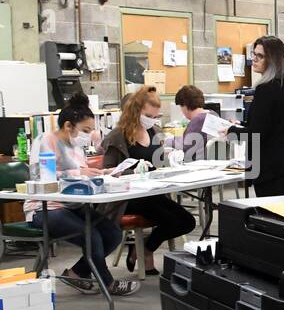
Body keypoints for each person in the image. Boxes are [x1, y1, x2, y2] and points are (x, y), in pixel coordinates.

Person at [23, 93, 141, 297]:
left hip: (73, 205)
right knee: (91, 235)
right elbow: (40, 178)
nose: (89, 135)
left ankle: (76, 273)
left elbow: (81, 174)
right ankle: (109, 284)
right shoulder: (46, 142)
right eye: (85, 130)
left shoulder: (75, 146)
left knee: (112, 233)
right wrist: (78, 173)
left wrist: (102, 173)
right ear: (69, 126)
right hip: (44, 208)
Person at [101, 86, 197, 275]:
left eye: (155, 117)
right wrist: (132, 171)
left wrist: (173, 165)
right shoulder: (117, 136)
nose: (151, 120)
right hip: (129, 197)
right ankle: (146, 251)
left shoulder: (154, 131)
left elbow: (160, 164)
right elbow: (108, 173)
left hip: (154, 192)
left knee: (187, 222)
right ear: (135, 111)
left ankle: (145, 248)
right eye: (148, 116)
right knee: (170, 219)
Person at [224, 36, 284, 196]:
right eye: (253, 54)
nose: (253, 59)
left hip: (272, 166)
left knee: (268, 215)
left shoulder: (267, 89)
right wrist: (241, 123)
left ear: (273, 60)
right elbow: (272, 123)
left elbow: (257, 134)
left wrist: (231, 131)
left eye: (259, 56)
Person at [175, 85, 209, 161]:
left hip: (196, 166)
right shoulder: (211, 116)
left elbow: (185, 149)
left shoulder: (197, 122)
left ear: (184, 105)